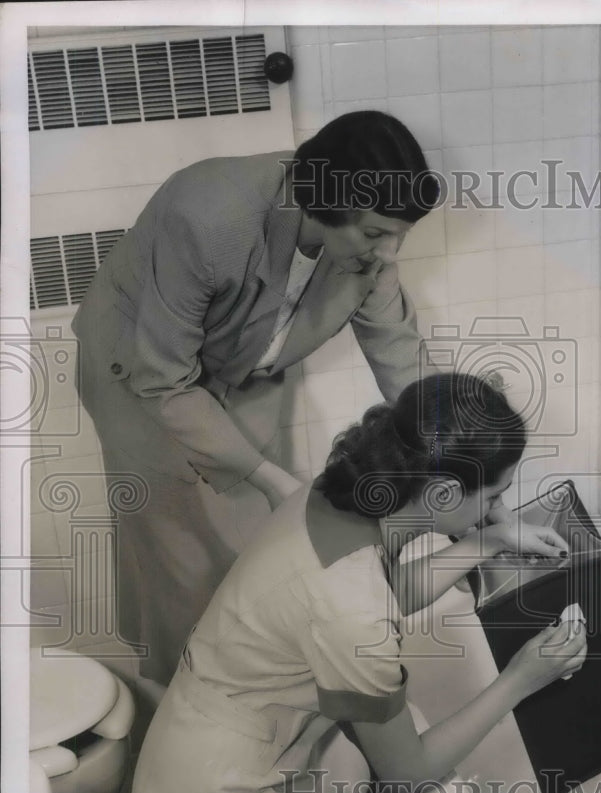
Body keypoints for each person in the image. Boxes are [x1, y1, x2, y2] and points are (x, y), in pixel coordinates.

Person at [129, 372, 587, 793]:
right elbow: (408, 772)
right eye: (493, 496)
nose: (498, 506)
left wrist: (493, 540)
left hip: (193, 748)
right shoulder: (350, 610)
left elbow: (380, 590)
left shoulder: (334, 495)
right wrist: (522, 677)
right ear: (445, 495)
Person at [72, 110, 442, 684]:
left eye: (399, 234)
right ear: (325, 201)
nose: (390, 253)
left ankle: (248, 678)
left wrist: (465, 462)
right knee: (183, 555)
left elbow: (398, 349)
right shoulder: (209, 216)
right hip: (140, 372)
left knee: (253, 537)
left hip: (240, 362)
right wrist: (269, 479)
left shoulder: (369, 251)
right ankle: (182, 697)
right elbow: (162, 379)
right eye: (374, 234)